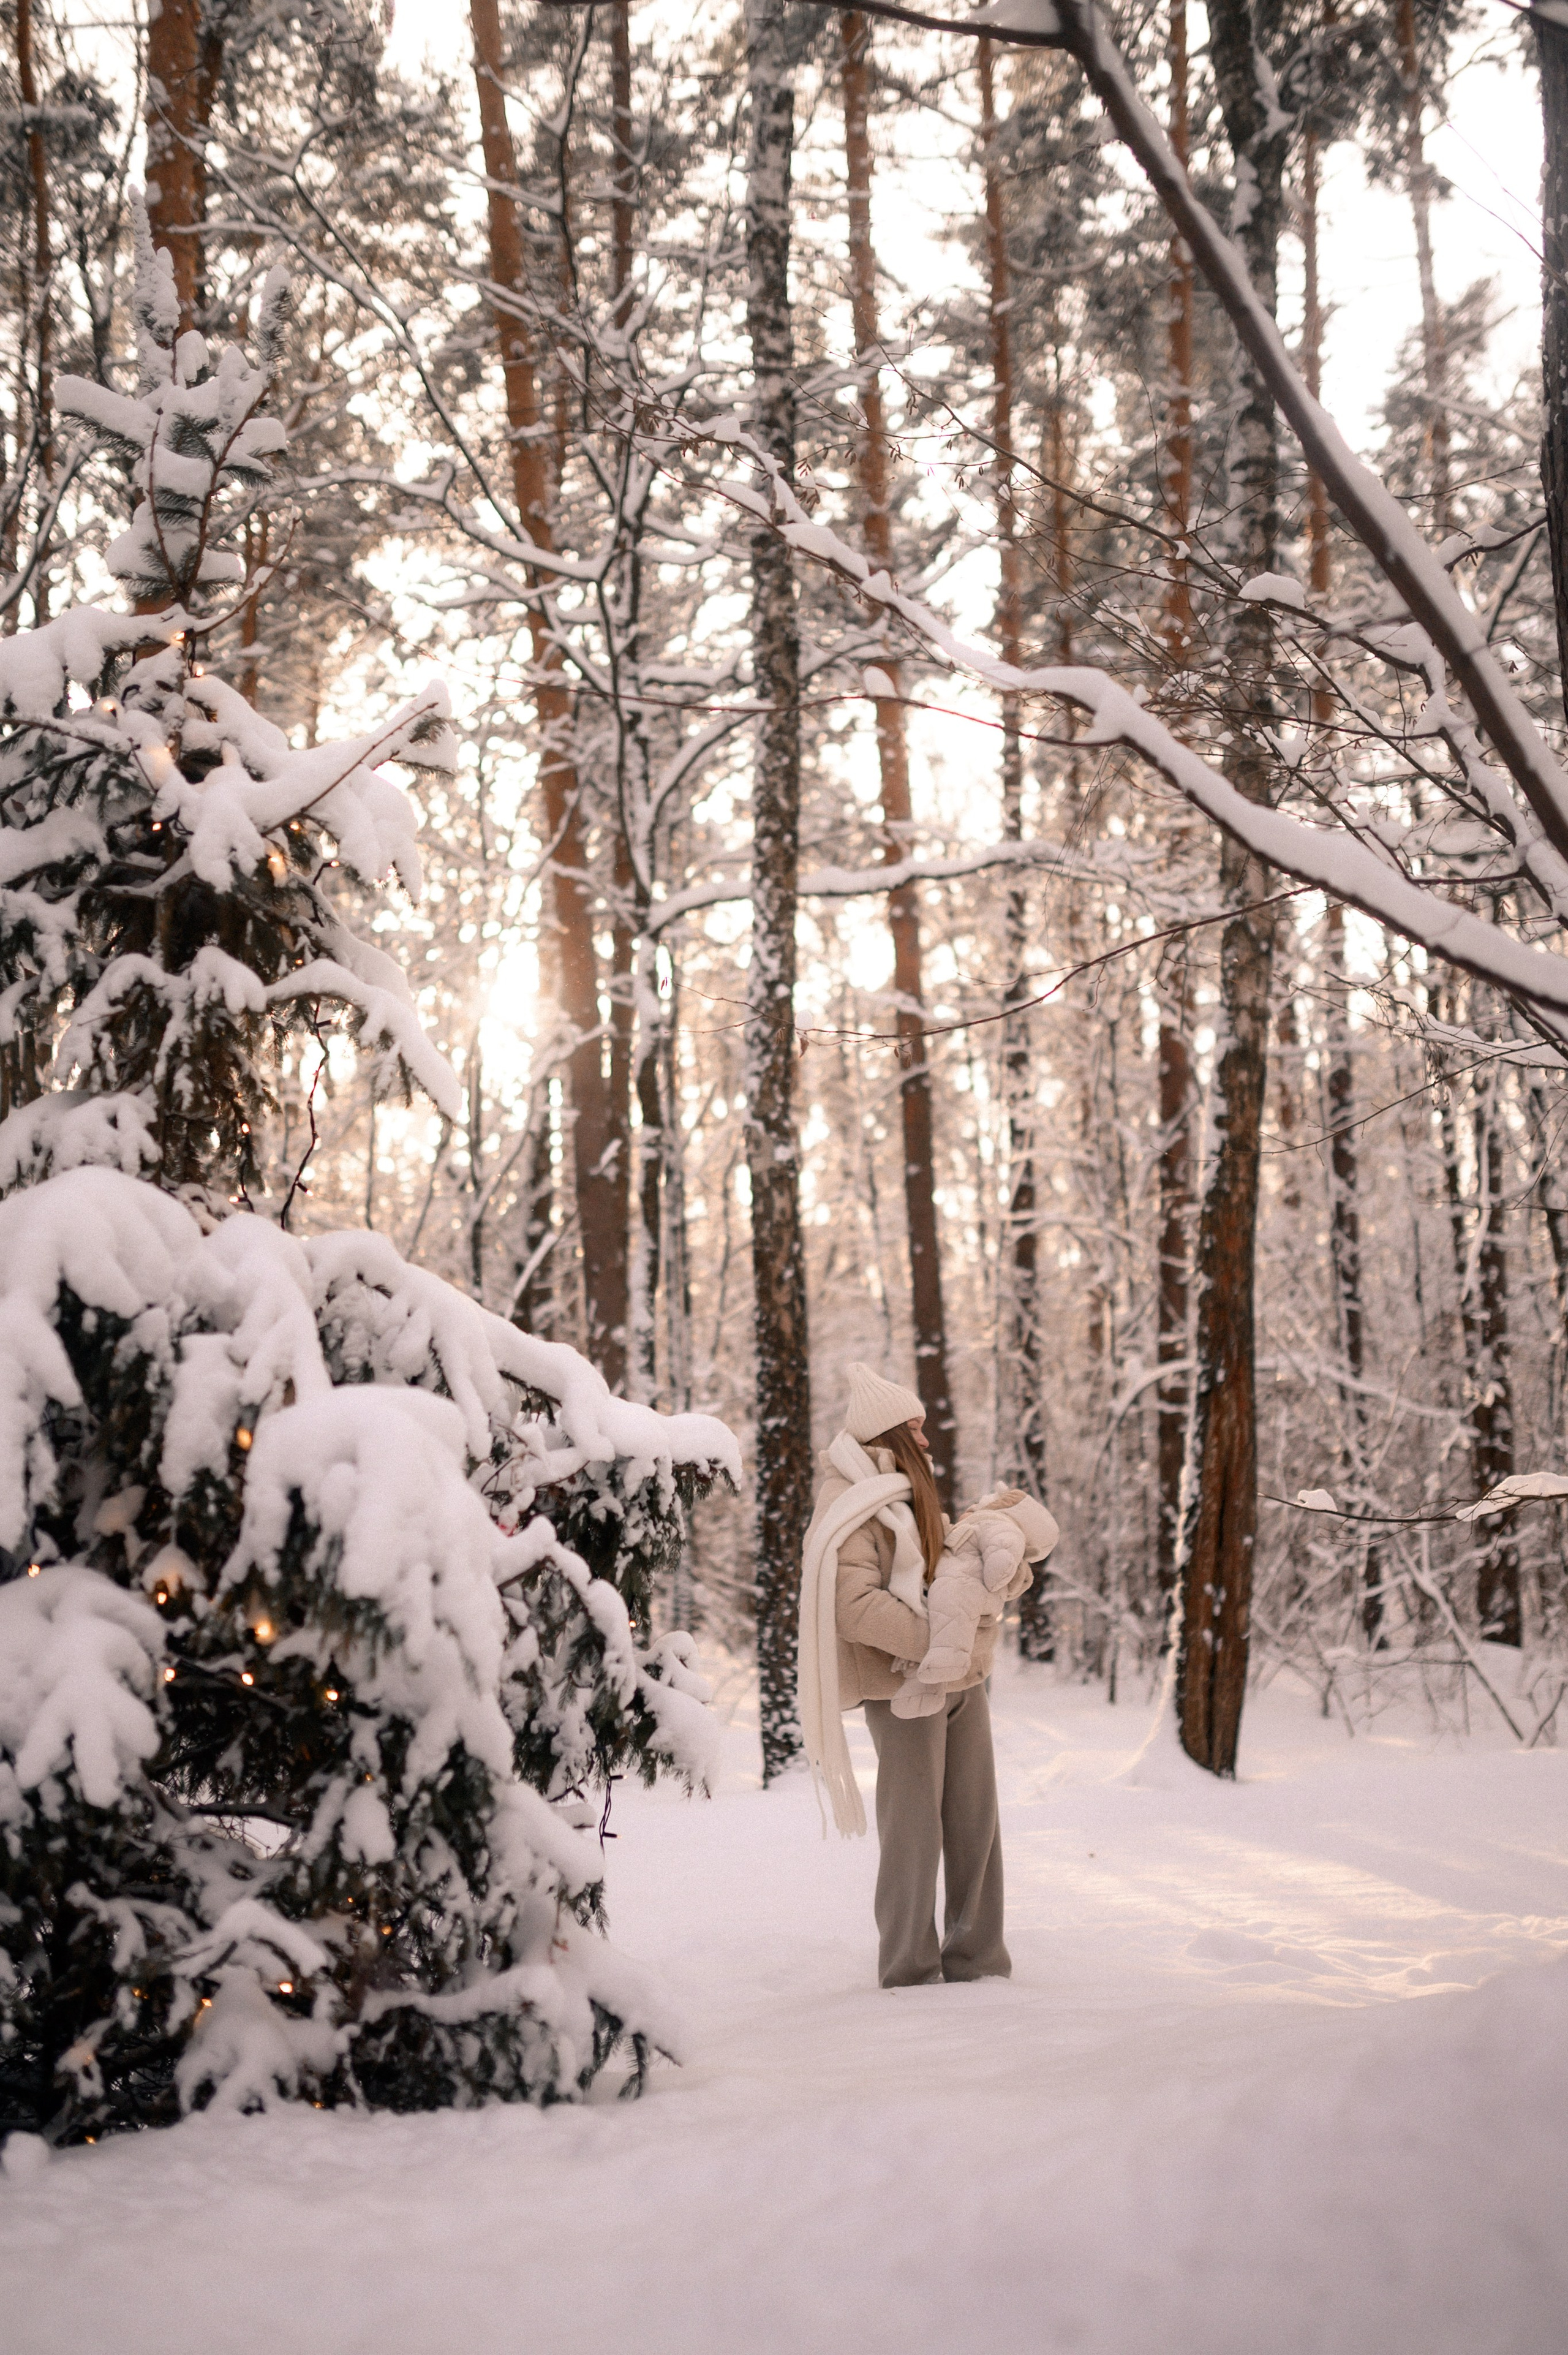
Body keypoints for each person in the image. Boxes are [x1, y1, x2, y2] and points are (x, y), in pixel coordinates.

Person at [796, 1361, 1057, 1989]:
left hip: (961, 1679)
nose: (927, 1437)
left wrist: (1004, 1571)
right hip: (902, 1685)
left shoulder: (912, 1494)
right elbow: (850, 1604)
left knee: (976, 1820)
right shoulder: (848, 1499)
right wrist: (932, 1645)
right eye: (915, 1426)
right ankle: (909, 1969)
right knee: (913, 1830)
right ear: (888, 1434)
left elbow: (953, 1573)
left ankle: (977, 1962)